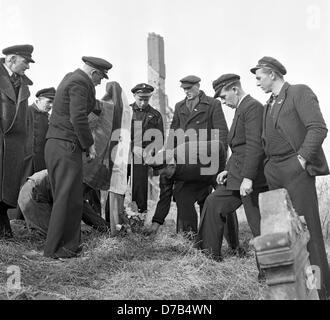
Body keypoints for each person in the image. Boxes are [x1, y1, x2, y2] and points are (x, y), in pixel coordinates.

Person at [250, 56, 330, 299]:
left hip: (296, 170)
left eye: (259, 77)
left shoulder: (298, 92)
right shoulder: (267, 105)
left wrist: (302, 160)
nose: (257, 83)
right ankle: (294, 291)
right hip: (274, 172)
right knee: (285, 234)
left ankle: (320, 290)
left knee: (310, 232)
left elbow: (318, 127)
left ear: (272, 74)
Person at [44, 56, 112, 259]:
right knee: (68, 199)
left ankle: (65, 247)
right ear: (94, 73)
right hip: (66, 146)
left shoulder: (70, 78)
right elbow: (78, 117)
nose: (100, 82)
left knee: (67, 198)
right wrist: (89, 144)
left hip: (58, 144)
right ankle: (58, 250)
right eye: (100, 77)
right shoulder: (80, 82)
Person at [197, 74, 268, 262]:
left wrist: (248, 177)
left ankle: (270, 271)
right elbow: (238, 149)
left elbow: (255, 146)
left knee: (257, 226)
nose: (223, 101)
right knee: (213, 203)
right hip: (237, 176)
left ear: (235, 89)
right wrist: (228, 170)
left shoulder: (252, 107)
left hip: (250, 180)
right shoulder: (240, 108)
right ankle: (209, 256)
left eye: (223, 96)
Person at [156, 75, 230, 234]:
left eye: (189, 88)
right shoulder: (179, 106)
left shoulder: (212, 104)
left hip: (206, 160)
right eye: (184, 89)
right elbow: (173, 133)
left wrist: (220, 159)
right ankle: (188, 237)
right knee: (183, 197)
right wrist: (168, 153)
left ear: (198, 86)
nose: (186, 92)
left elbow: (222, 131)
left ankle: (211, 235)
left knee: (210, 200)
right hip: (185, 162)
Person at [0, 44, 35, 238]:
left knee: (6, 189)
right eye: (25, 61)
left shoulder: (21, 83)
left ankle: (3, 226)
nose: (28, 67)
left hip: (12, 146)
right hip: (1, 142)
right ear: (11, 59)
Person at [17, 170, 109, 236]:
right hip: (32, 192)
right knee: (49, 236)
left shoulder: (81, 179)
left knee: (58, 233)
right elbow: (83, 210)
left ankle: (29, 224)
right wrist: (106, 228)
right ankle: (17, 226)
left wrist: (106, 227)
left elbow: (86, 211)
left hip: (39, 193)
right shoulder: (77, 182)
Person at [13, 87, 56, 220]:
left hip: (41, 161)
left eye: (53, 103)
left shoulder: (49, 118)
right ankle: (16, 219)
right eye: (49, 102)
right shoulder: (25, 112)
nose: (51, 106)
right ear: (39, 100)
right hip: (25, 160)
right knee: (21, 189)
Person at [129, 83, 164, 213]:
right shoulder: (127, 112)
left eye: (146, 99)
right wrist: (132, 147)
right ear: (134, 95)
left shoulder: (155, 115)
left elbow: (159, 140)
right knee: (118, 187)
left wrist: (148, 152)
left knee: (140, 189)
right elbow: (119, 133)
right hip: (124, 155)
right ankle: (113, 220)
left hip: (143, 157)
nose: (143, 103)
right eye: (140, 99)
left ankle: (138, 218)